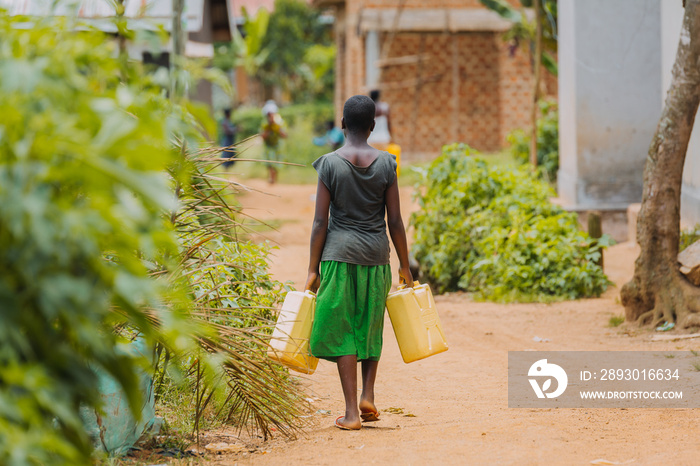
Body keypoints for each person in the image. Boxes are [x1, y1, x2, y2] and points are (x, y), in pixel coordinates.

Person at [305, 95, 413, 431]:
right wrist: (405, 265)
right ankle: (368, 395)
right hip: (377, 256)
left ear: (341, 125)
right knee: (369, 324)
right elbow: (395, 220)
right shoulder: (386, 164)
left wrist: (312, 267)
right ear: (372, 126)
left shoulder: (329, 164)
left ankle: (351, 412)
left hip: (338, 256)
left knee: (343, 329)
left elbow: (320, 222)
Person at [260, 101, 287, 184]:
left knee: (276, 162)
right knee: (270, 162)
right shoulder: (264, 123)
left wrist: (277, 128)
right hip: (268, 145)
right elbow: (263, 136)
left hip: (277, 145)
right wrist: (268, 128)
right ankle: (271, 178)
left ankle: (274, 179)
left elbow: (284, 135)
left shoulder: (280, 122)